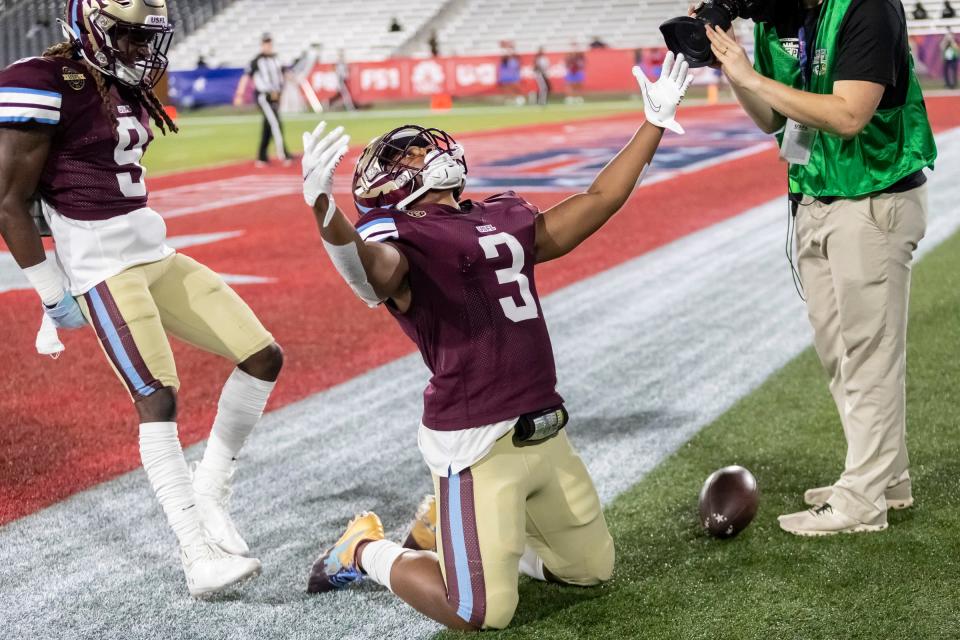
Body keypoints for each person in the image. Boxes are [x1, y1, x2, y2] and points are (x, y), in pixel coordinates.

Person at [297, 52, 693, 630]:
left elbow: (597, 201)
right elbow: (369, 272)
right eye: (406, 154)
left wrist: (653, 123)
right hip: (474, 437)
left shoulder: (498, 215)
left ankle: (456, 533)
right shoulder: (398, 237)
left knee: (589, 570)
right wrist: (323, 210)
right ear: (388, 186)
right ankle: (361, 550)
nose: (423, 150)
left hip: (544, 427)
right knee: (476, 610)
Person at [0, 0, 283, 596]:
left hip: (153, 252)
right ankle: (195, 554)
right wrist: (52, 293)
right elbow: (8, 200)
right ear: (87, 24)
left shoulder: (127, 84)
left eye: (142, 34)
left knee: (262, 356)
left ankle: (211, 488)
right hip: (102, 264)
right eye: (123, 33)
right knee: (157, 398)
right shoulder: (44, 80)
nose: (135, 45)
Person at [705, 0, 937, 536]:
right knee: (840, 352)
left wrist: (748, 75)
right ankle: (886, 477)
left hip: (873, 198)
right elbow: (771, 119)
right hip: (814, 196)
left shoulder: (868, 7)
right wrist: (732, 63)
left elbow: (849, 115)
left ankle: (862, 499)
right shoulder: (777, 16)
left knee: (869, 353)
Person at [234, 33, 290, 166]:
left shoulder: (276, 59)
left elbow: (284, 74)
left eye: (270, 43)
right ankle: (284, 154)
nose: (268, 46)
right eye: (266, 43)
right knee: (276, 123)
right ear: (262, 45)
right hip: (264, 96)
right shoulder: (257, 61)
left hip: (275, 97)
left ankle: (262, 156)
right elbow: (246, 77)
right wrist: (239, 94)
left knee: (268, 125)